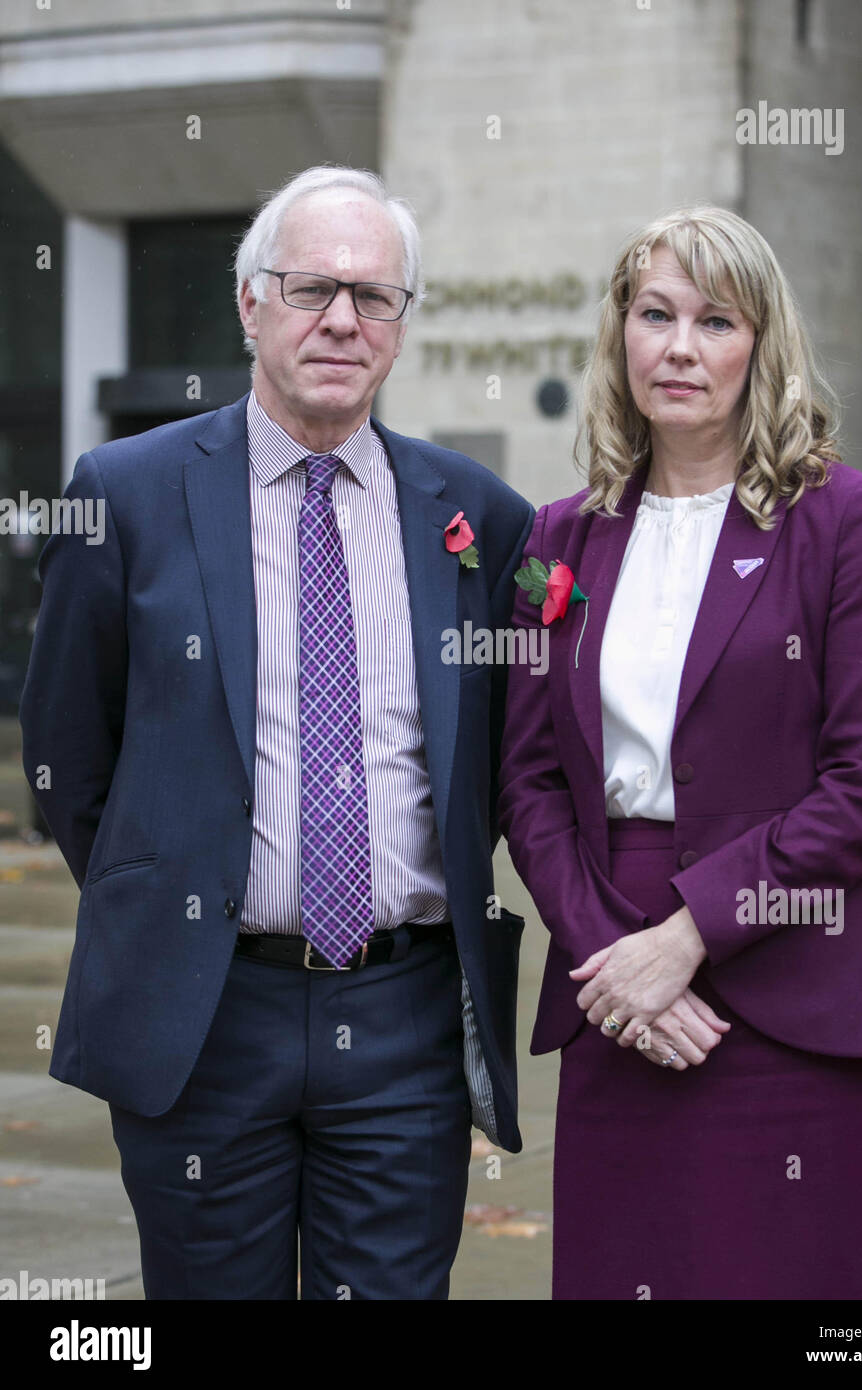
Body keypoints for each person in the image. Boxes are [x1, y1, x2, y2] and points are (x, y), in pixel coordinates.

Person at [19, 164, 535, 1300]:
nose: (343, 319)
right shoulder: (125, 493)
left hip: (401, 1016)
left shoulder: (477, 518)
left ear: (401, 325)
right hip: (205, 1016)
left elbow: (501, 756)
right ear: (251, 303)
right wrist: (175, 893)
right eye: (311, 289)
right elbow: (68, 758)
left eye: (375, 295)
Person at [497, 205, 862, 1300]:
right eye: (655, 314)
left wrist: (685, 939)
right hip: (613, 986)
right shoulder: (560, 537)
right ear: (620, 335)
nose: (680, 347)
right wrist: (614, 960)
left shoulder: (848, 523)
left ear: (760, 345)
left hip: (787, 977)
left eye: (715, 320)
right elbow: (529, 778)